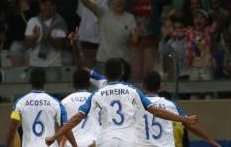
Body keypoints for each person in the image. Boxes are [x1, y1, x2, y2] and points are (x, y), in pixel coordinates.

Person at [45, 58, 198, 147]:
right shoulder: (132, 90)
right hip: (129, 140)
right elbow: (156, 111)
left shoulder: (97, 93)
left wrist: (54, 136)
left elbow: (76, 118)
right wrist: (183, 119)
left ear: (107, 73)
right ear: (121, 72)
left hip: (106, 140)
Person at [134, 71, 221, 147]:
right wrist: (211, 141)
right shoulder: (169, 105)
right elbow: (189, 124)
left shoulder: (135, 104)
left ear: (143, 86)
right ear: (160, 86)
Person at [5, 67, 77, 147]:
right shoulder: (56, 103)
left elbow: (12, 128)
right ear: (45, 81)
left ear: (30, 81)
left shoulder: (19, 103)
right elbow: (66, 128)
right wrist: (75, 145)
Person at [74, 0, 138, 71]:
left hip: (122, 63)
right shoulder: (103, 13)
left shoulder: (130, 18)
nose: (119, 1)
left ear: (125, 1)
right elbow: (88, 4)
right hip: (103, 62)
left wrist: (136, 36)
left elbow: (134, 39)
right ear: (111, 1)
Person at [24, 0, 67, 68]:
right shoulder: (33, 21)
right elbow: (26, 45)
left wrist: (49, 38)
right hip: (35, 64)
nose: (47, 8)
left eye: (50, 5)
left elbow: (61, 45)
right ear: (40, 6)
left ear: (55, 7)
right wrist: (35, 37)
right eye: (44, 5)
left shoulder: (60, 22)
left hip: (54, 65)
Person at [61, 69, 100, 147]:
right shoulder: (97, 100)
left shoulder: (64, 102)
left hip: (71, 145)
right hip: (93, 143)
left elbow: (61, 128)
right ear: (89, 83)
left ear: (73, 83)